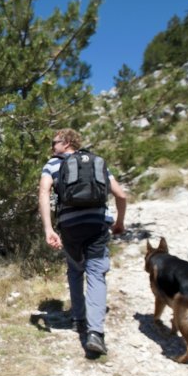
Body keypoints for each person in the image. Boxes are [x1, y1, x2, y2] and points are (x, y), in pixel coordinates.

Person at [38, 128, 126, 355]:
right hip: (97, 225)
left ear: (66, 143)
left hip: (70, 227)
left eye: (54, 142)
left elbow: (44, 192)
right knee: (96, 273)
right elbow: (121, 195)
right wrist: (119, 223)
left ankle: (78, 318)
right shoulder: (97, 162)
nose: (52, 147)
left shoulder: (53, 165)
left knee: (75, 270)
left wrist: (48, 228)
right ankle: (95, 333)